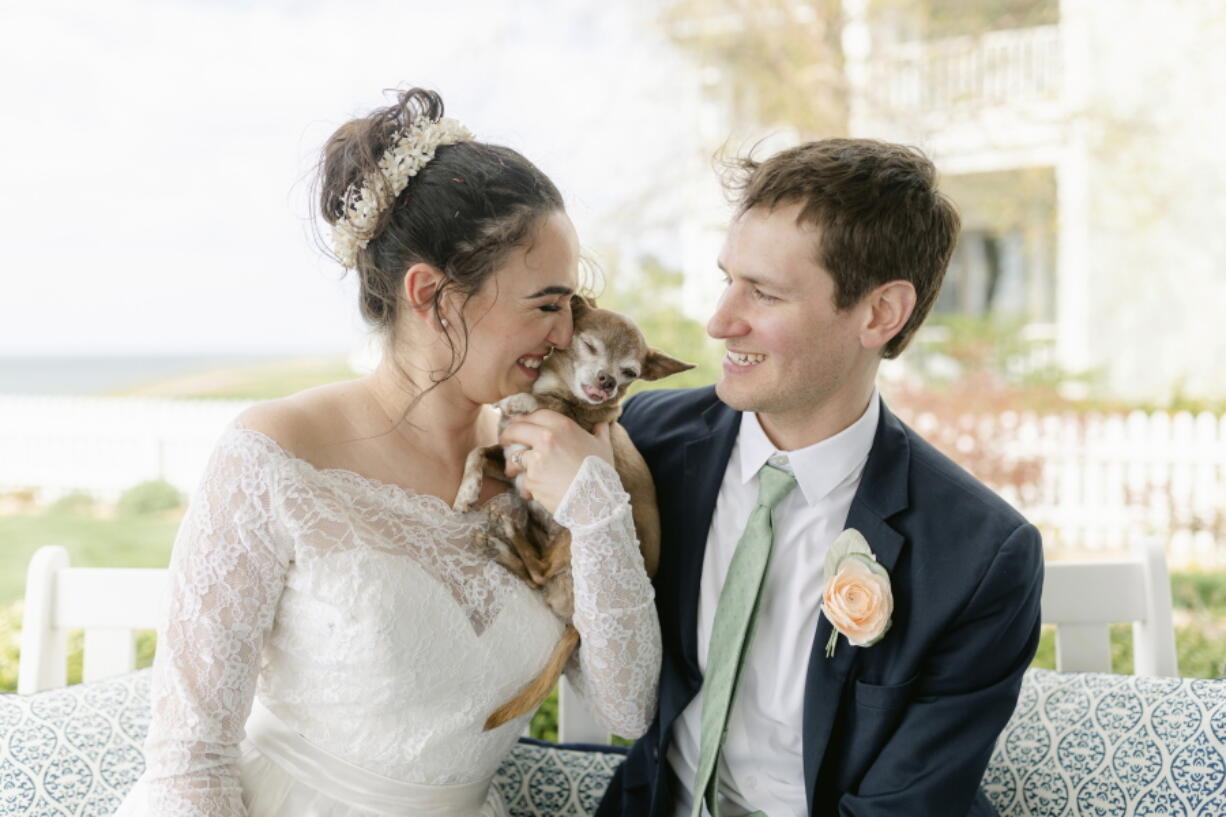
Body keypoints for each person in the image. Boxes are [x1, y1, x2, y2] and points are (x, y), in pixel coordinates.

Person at [115, 88, 660, 817]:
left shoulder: (555, 462)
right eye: (546, 304)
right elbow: (190, 758)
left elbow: (629, 706)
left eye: (571, 304)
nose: (566, 333)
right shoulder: (275, 453)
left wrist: (598, 509)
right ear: (433, 294)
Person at [597, 139, 1044, 817]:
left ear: (880, 313)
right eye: (728, 278)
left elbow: (903, 808)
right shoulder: (647, 441)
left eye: (765, 293)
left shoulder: (978, 555)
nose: (720, 321)